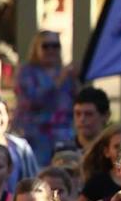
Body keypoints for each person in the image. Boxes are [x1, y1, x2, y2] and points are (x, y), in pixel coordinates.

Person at [13, 30, 77, 162]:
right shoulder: (26, 72)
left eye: (55, 46)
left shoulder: (66, 72)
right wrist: (59, 81)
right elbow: (32, 101)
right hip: (35, 136)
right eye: (46, 46)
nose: (51, 50)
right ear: (36, 48)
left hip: (64, 135)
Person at [70, 86, 110, 156]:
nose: (82, 119)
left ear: (105, 116)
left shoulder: (112, 150)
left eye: (89, 114)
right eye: (77, 113)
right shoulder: (63, 149)